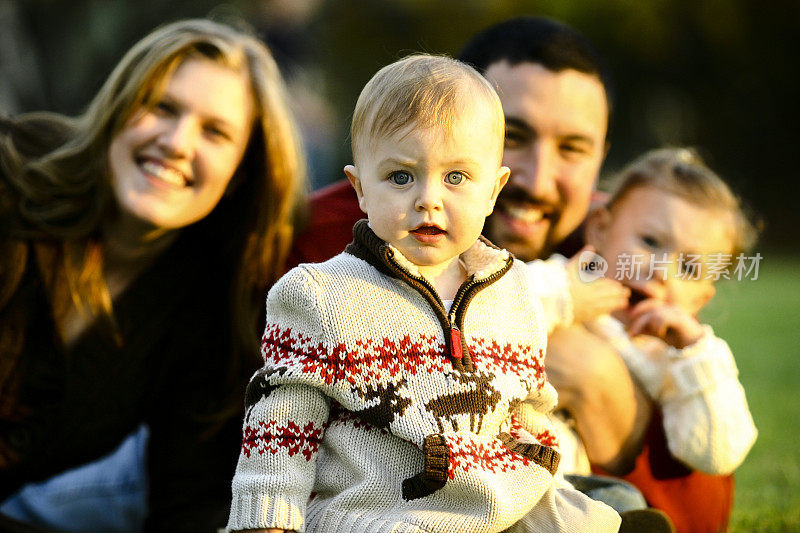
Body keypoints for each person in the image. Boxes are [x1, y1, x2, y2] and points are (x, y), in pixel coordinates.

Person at [287, 16, 737, 533]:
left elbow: (706, 512)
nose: (537, 178)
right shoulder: (337, 237)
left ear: (601, 160)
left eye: (572, 148)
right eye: (515, 136)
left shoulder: (618, 243)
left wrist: (602, 386)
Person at [227, 53, 623, 533]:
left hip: (493, 499)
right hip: (381, 509)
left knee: (586, 515)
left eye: (456, 177)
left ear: (493, 191)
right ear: (360, 189)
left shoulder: (513, 289)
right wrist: (267, 521)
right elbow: (280, 424)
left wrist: (536, 459)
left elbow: (530, 403)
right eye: (400, 176)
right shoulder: (321, 295)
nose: (428, 198)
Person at [0, 18, 306, 531]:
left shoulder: (208, 315)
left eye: (215, 132)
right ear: (120, 110)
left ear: (240, 175)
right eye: (162, 107)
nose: (177, 142)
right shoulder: (14, 176)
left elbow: (186, 505)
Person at [526, 147, 758, 480]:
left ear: (701, 299)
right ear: (600, 230)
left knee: (616, 504)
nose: (663, 270)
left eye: (689, 268)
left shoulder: (673, 361)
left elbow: (715, 454)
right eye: (650, 241)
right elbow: (494, 309)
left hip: (568, 492)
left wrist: (696, 352)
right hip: (503, 454)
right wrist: (565, 297)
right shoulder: (562, 278)